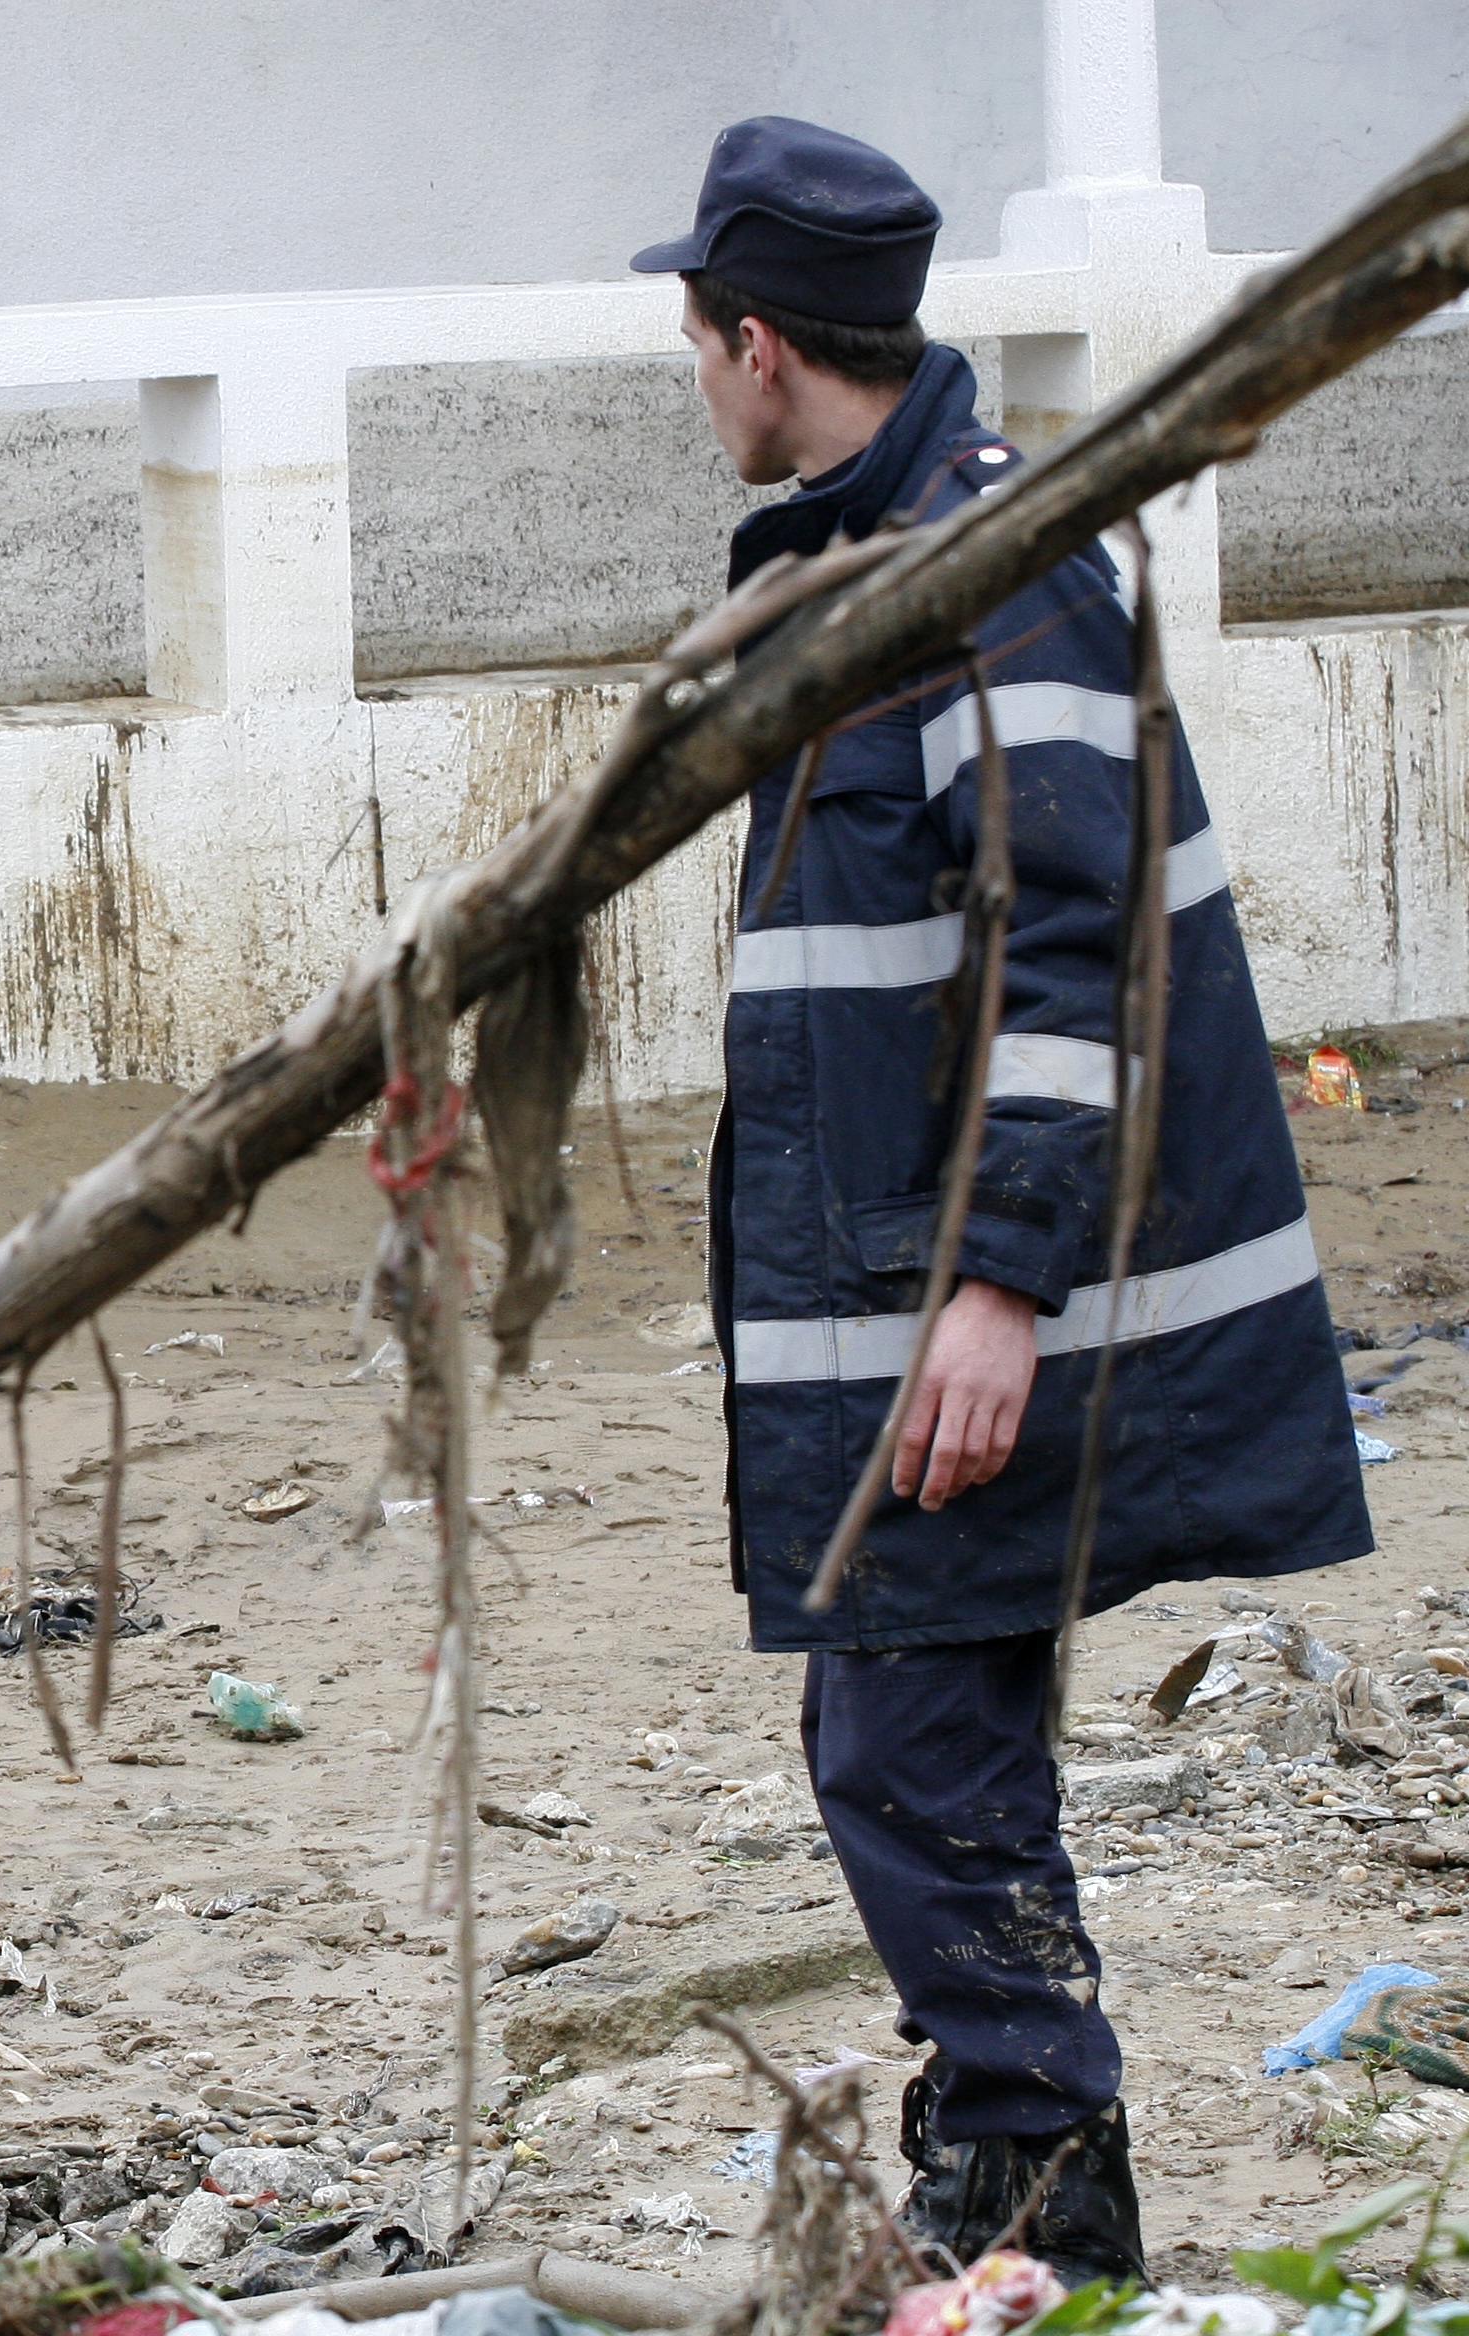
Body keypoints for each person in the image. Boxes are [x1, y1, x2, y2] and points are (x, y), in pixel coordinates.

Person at [634, 119, 1372, 2281]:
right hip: (907, 1280)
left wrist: (994, 1288)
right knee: (923, 1736)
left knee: (903, 1738)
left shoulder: (1002, 572)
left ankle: (1050, 2188)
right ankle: (1024, 2153)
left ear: (762, 349)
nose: (700, 382)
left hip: (963, 1303)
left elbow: (1079, 943)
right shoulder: (878, 559)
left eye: (699, 342)